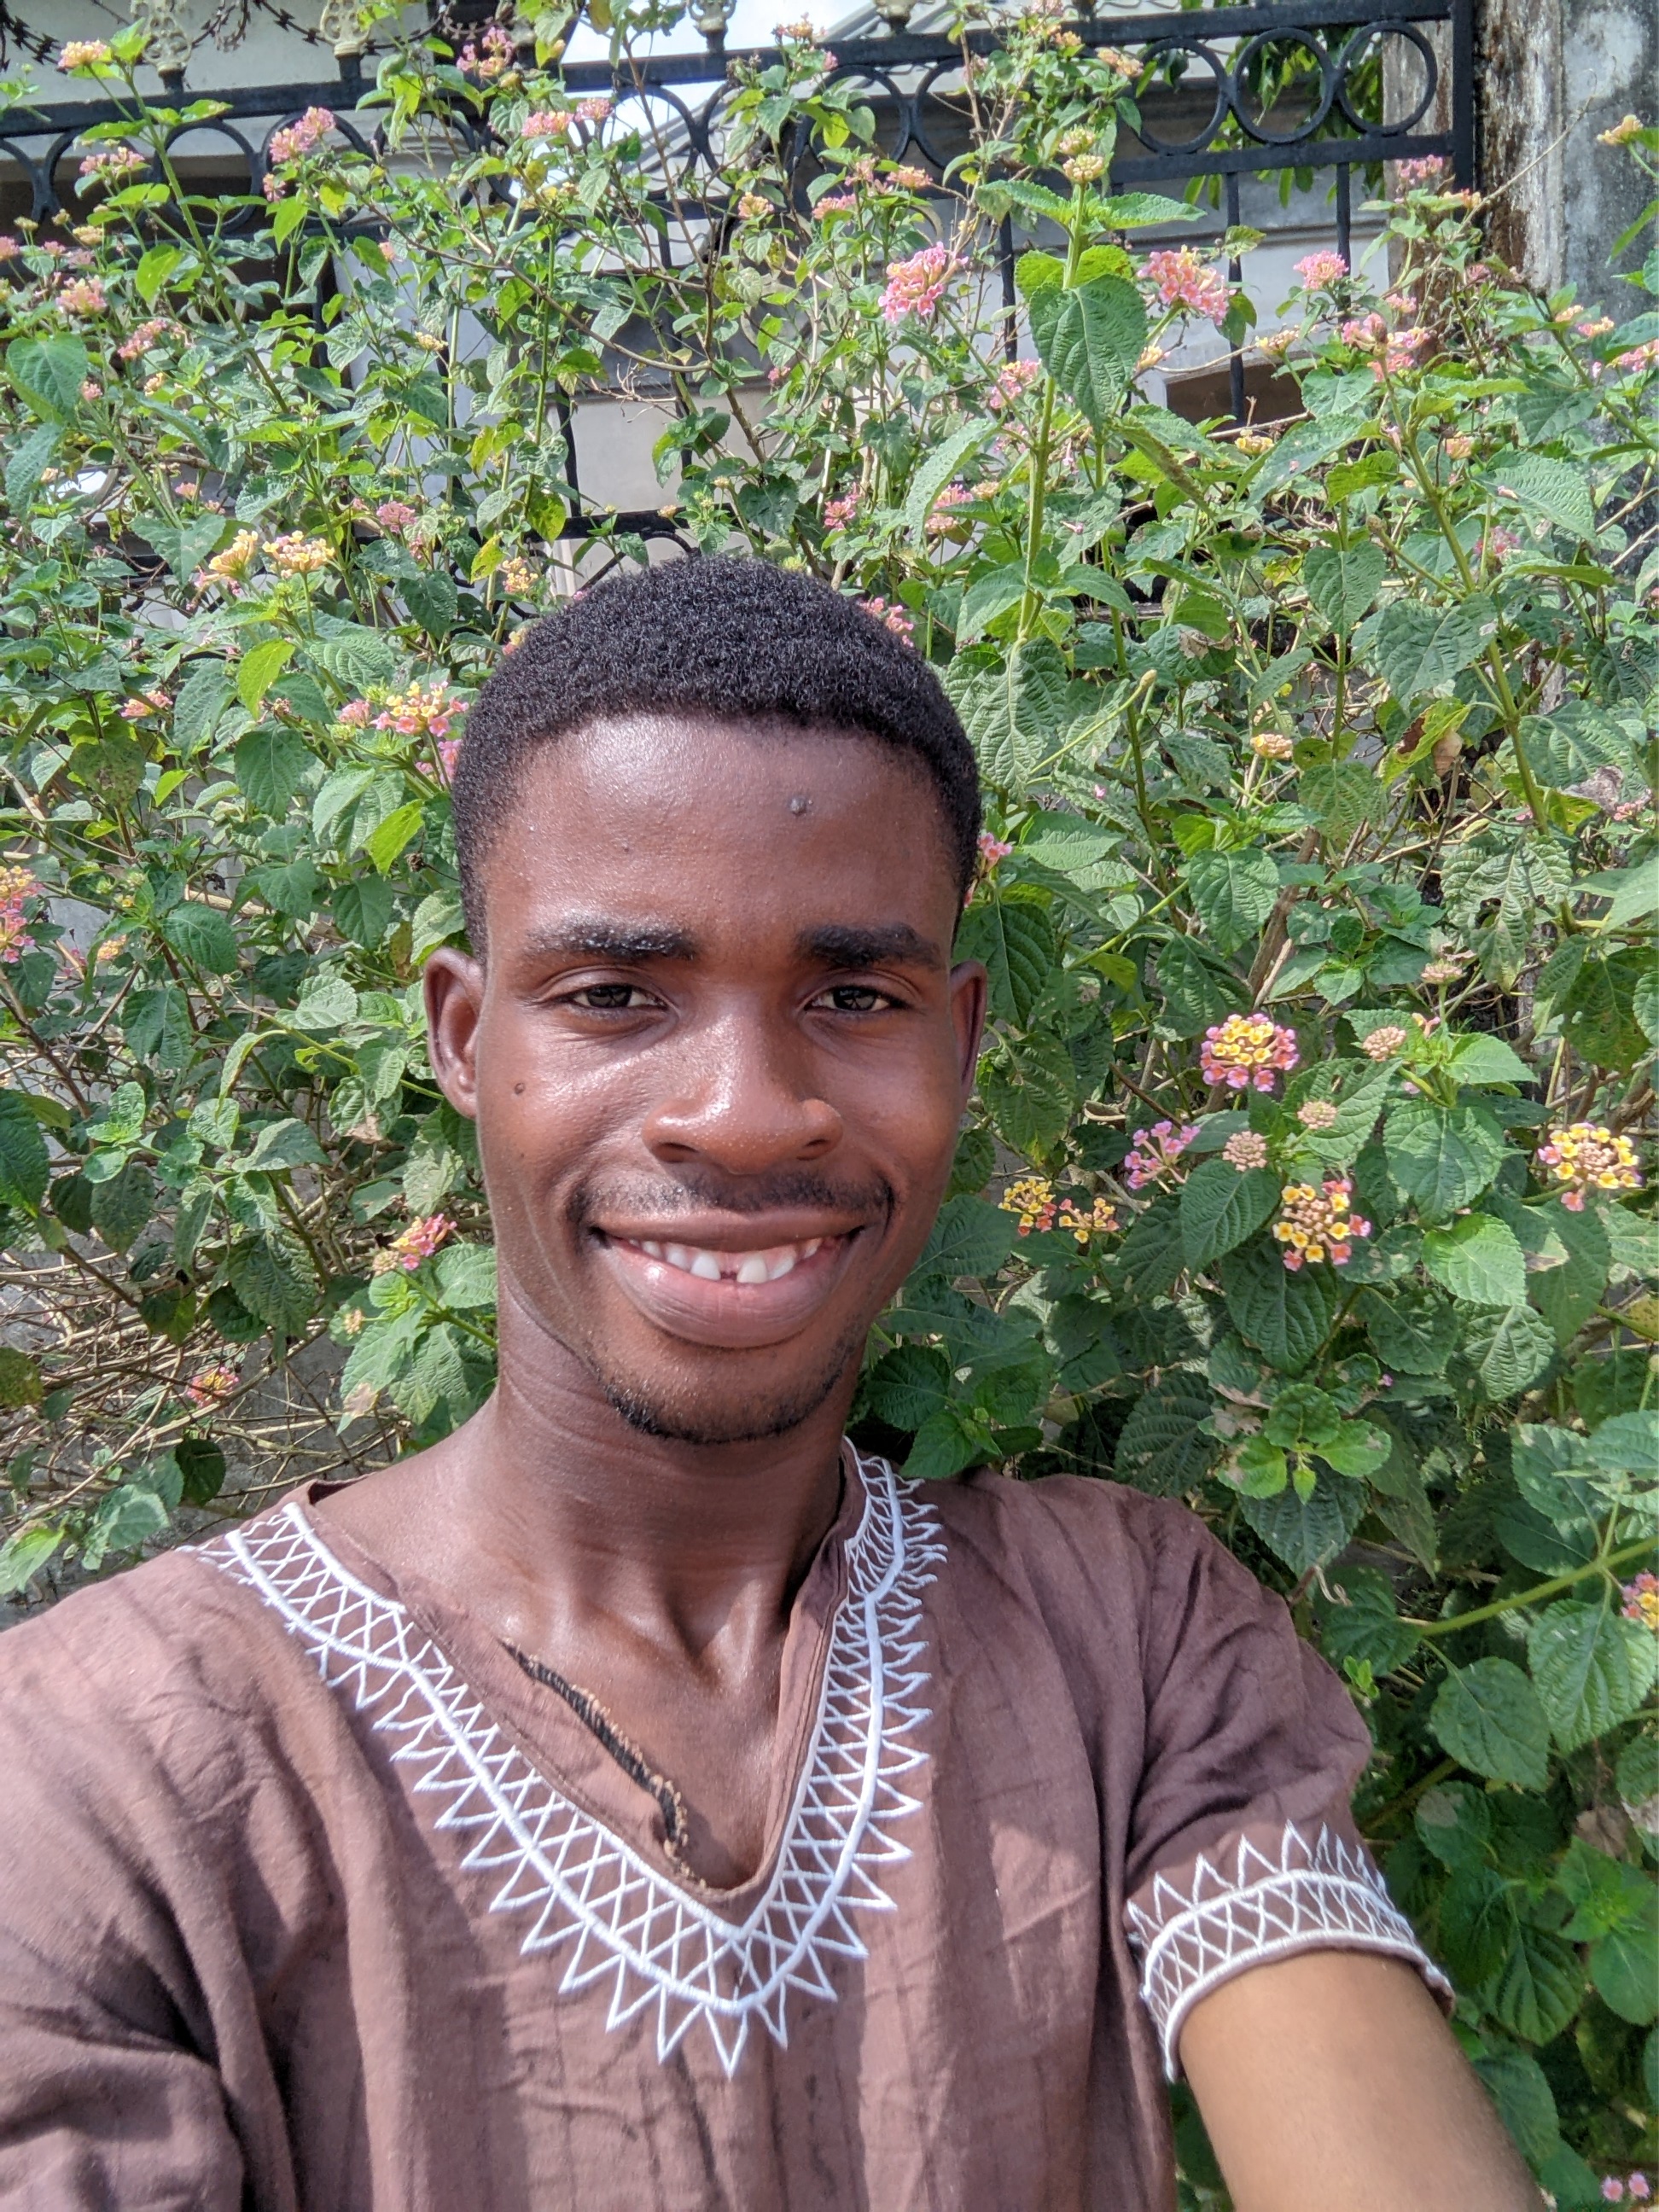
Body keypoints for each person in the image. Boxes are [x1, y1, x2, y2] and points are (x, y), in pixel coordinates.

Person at [0, 558, 1536, 2211]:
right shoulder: (107, 1764)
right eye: (614, 997)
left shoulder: (1128, 1643)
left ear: (960, 1041)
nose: (741, 1114)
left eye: (854, 997)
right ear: (461, 1037)